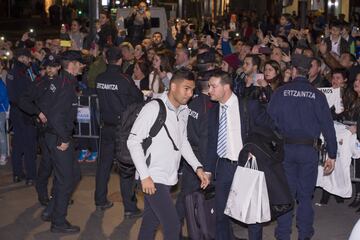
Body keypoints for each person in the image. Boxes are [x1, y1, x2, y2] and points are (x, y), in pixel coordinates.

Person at [127, 68, 210, 240]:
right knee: (172, 226)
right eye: (186, 88)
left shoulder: (184, 111)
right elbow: (133, 141)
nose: (190, 93)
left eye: (192, 89)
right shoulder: (153, 108)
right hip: (152, 176)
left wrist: (198, 167)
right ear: (173, 86)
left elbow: (183, 142)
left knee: (150, 223)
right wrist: (145, 176)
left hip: (167, 177)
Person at [267, 54, 337, 240]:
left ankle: (283, 234)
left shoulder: (281, 92)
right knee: (305, 196)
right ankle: (304, 233)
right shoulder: (317, 95)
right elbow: (328, 126)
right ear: (309, 72)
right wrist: (332, 154)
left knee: (285, 194)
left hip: (286, 150)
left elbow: (268, 122)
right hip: (308, 151)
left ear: (294, 71)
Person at [207, 70, 268, 240]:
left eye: (213, 86)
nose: (209, 90)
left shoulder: (248, 106)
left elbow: (268, 129)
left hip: (247, 167)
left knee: (252, 215)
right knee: (220, 215)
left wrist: (254, 151)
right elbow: (211, 142)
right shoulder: (213, 111)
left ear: (226, 87)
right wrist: (208, 169)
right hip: (224, 166)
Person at [94, 47, 143, 218]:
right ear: (121, 60)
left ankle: (100, 200)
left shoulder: (100, 78)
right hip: (122, 129)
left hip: (105, 127)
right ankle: (130, 207)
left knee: (103, 166)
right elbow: (138, 98)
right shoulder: (125, 79)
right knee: (126, 167)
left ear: (106, 60)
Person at [42, 50, 84, 233]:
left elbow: (47, 106)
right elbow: (56, 115)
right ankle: (58, 221)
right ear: (72, 64)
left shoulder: (61, 81)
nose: (82, 66)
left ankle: (51, 210)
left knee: (71, 175)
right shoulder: (66, 84)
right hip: (59, 138)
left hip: (54, 136)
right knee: (67, 180)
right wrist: (64, 138)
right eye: (80, 63)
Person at [17, 54, 61, 206]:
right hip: (45, 130)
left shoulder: (62, 82)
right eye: (47, 67)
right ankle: (42, 194)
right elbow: (23, 100)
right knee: (47, 163)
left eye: (53, 66)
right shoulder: (39, 83)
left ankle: (58, 195)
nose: (50, 69)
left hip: (60, 130)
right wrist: (37, 112)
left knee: (60, 165)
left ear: (58, 67)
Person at [6, 48, 37, 185]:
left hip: (15, 111)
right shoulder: (22, 72)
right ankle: (31, 176)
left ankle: (17, 174)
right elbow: (28, 93)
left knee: (18, 144)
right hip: (24, 112)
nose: (30, 61)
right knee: (29, 145)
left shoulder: (11, 72)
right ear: (23, 58)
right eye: (28, 58)